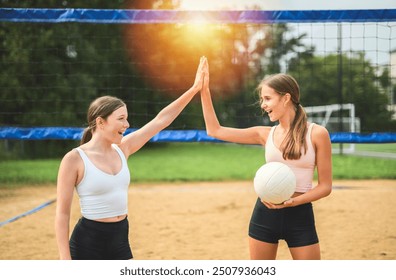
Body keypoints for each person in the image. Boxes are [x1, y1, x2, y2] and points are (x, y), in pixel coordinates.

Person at [55, 57, 207, 260]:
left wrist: (195, 88)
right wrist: (65, 263)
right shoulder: (74, 159)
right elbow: (62, 214)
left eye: (126, 118)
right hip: (87, 244)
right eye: (121, 119)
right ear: (101, 122)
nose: (127, 124)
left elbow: (161, 120)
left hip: (119, 240)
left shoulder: (122, 148)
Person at [200, 59, 332, 260]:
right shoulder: (264, 134)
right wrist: (204, 90)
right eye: (262, 99)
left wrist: (293, 202)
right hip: (265, 213)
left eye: (267, 99)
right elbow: (214, 130)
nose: (263, 105)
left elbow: (325, 186)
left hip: (300, 214)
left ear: (286, 98)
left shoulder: (317, 134)